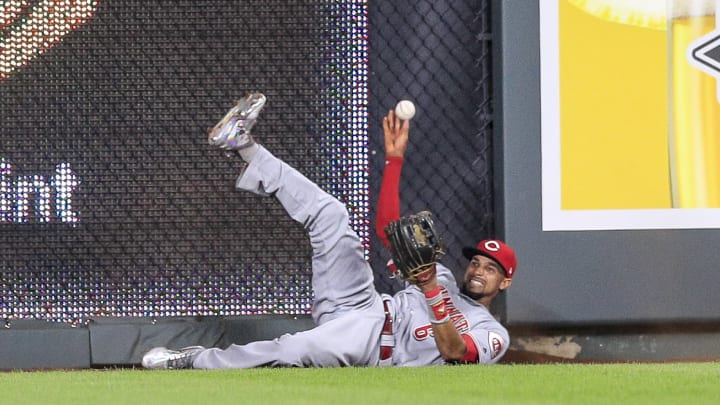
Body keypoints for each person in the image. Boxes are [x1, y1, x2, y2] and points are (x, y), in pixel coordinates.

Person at [142, 93, 517, 369]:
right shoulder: (445, 277)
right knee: (331, 215)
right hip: (363, 304)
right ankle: (243, 145)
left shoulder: (492, 333)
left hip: (370, 345)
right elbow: (391, 234)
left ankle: (194, 361)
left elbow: (454, 352)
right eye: (478, 262)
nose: (478, 270)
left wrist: (431, 290)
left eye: (491, 268)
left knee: (290, 350)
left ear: (504, 283)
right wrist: (394, 160)